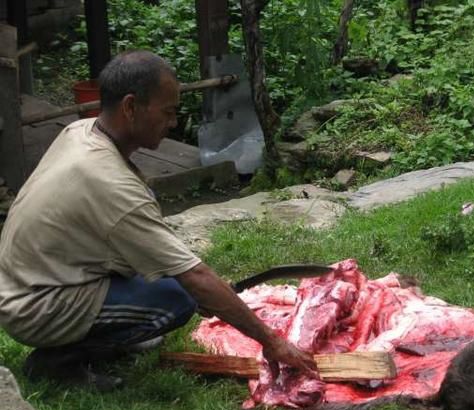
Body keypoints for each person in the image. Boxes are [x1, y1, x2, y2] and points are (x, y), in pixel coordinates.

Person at [0, 50, 316, 390]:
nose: (174, 122)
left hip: (28, 281)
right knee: (175, 301)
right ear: (130, 107)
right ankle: (57, 363)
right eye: (168, 112)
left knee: (170, 269)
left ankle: (106, 332)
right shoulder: (109, 183)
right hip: (34, 307)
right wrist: (273, 341)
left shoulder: (82, 130)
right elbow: (193, 276)